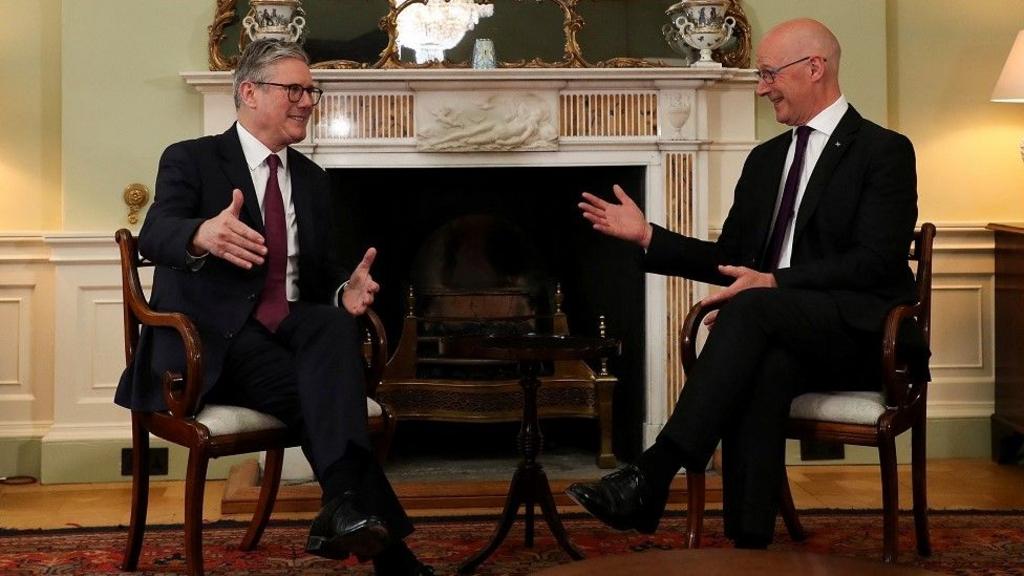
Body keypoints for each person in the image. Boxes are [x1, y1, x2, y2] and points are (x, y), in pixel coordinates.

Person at [567, 18, 921, 548]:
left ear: (814, 68)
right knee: (765, 356)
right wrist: (648, 237)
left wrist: (774, 281)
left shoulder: (883, 152)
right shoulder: (764, 160)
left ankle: (654, 473)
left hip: (862, 333)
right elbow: (730, 262)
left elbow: (873, 262)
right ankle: (749, 540)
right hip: (784, 334)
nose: (761, 86)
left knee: (750, 308)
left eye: (769, 73)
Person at [115, 39, 432, 575]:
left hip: (284, 333)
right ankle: (390, 556)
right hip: (210, 345)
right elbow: (155, 235)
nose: (308, 101)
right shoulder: (191, 158)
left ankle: (344, 508)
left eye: (312, 90)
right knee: (330, 400)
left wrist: (343, 291)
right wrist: (201, 234)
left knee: (332, 326)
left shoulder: (312, 179)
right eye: (295, 90)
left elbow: (322, 273)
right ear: (249, 92)